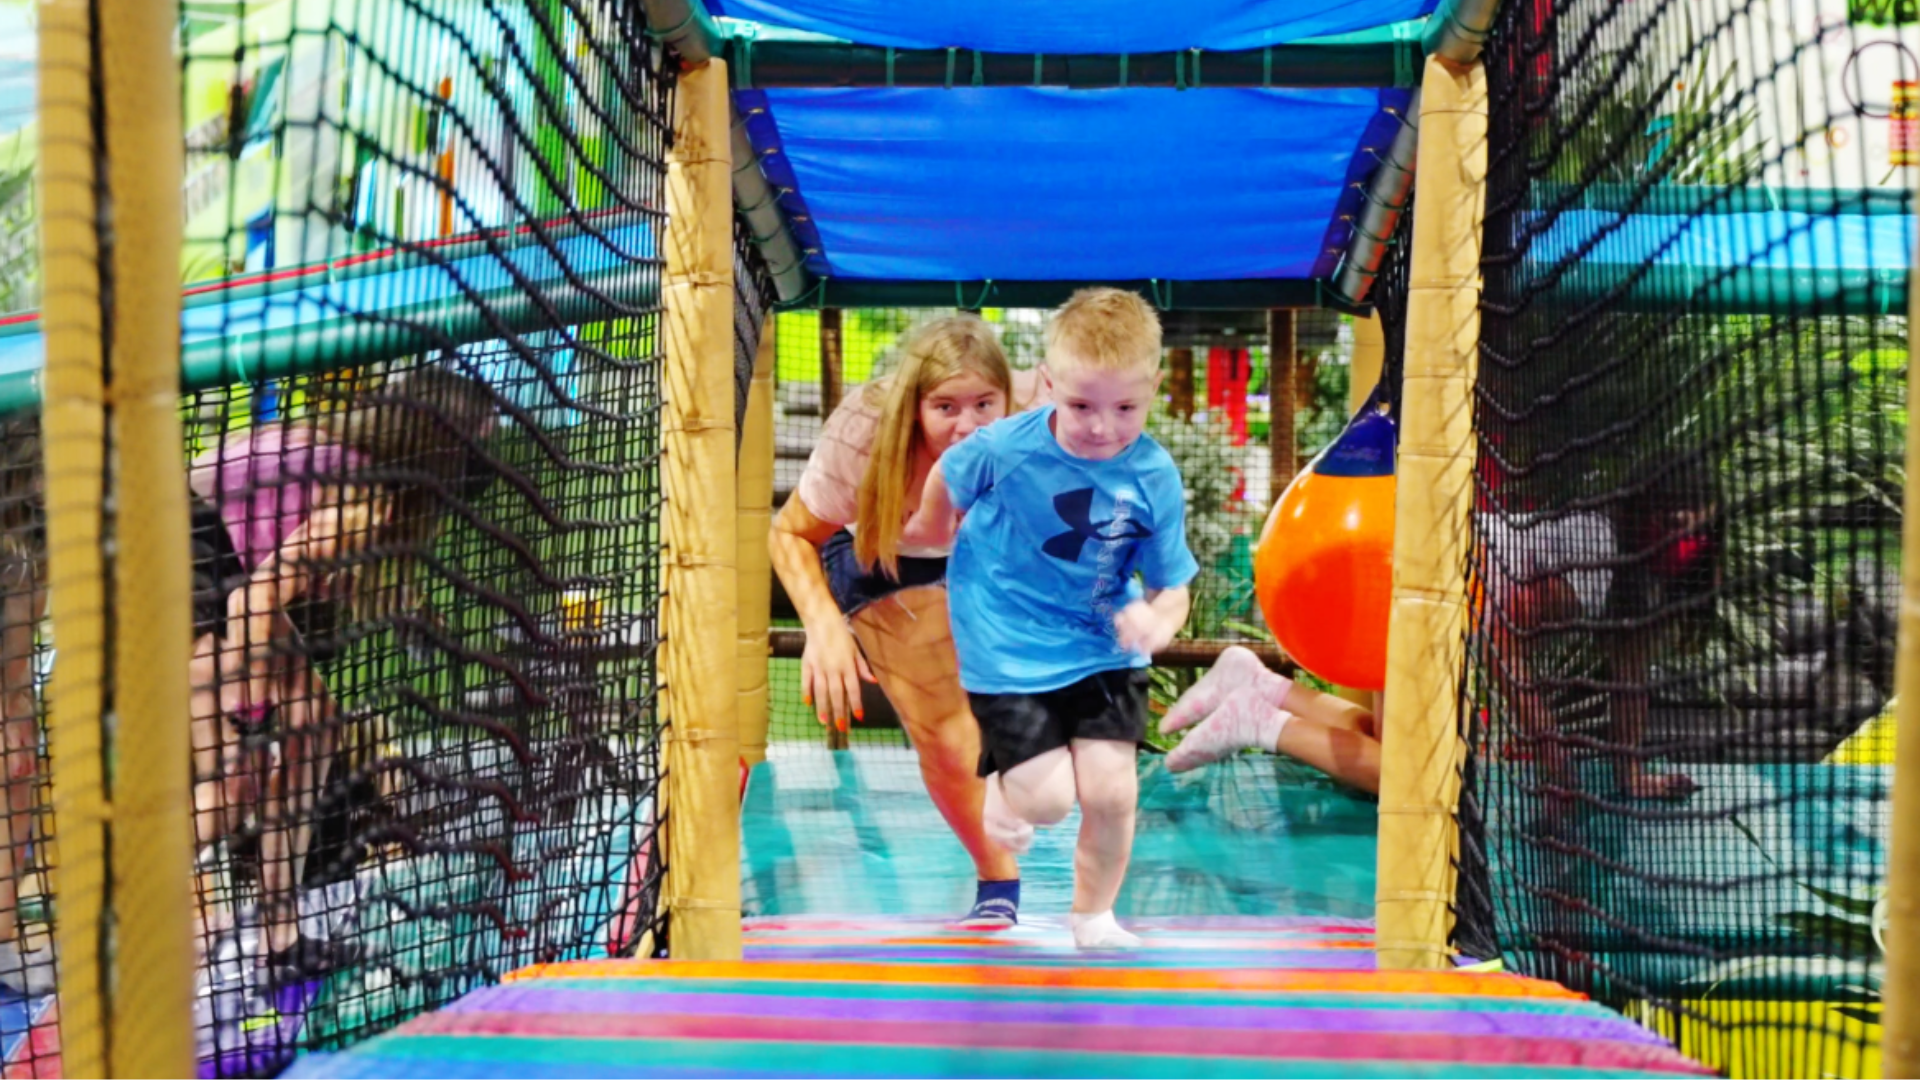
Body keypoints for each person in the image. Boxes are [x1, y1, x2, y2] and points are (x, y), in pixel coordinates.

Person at [1163, 447, 1713, 802]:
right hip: (1405, 583)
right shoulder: (1600, 550)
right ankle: (1256, 721)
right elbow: (1501, 635)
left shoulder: (1637, 579)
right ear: (1644, 509)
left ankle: (1260, 685)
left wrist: (1630, 777)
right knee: (1408, 782)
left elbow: (1630, 680)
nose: (1681, 532)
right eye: (1671, 515)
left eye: (1695, 527)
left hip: (1403, 575)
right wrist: (1552, 754)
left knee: (1384, 746)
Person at [904, 288, 1197, 950]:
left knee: (1113, 792)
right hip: (1007, 643)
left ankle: (1094, 916)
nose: (1102, 427)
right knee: (1048, 801)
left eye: (1125, 408)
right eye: (1082, 406)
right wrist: (931, 526)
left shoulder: (1154, 476)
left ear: (1153, 387)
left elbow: (1173, 586)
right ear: (1048, 383)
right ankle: (1005, 787)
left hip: (1102, 645)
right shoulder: (1007, 447)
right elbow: (951, 470)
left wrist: (1159, 621)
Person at [188, 365, 500, 982]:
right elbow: (251, 602)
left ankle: (281, 940)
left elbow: (285, 570)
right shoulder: (358, 495)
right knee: (232, 781)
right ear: (436, 448)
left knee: (317, 724)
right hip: (183, 556)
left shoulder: (343, 463)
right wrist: (248, 715)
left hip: (212, 554)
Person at [769, 315, 1044, 928]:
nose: (968, 425)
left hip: (978, 551)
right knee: (945, 735)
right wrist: (824, 627)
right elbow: (789, 534)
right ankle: (998, 879)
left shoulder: (1039, 418)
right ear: (914, 407)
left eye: (983, 404)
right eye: (945, 407)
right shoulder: (863, 435)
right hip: (881, 556)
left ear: (1007, 397)